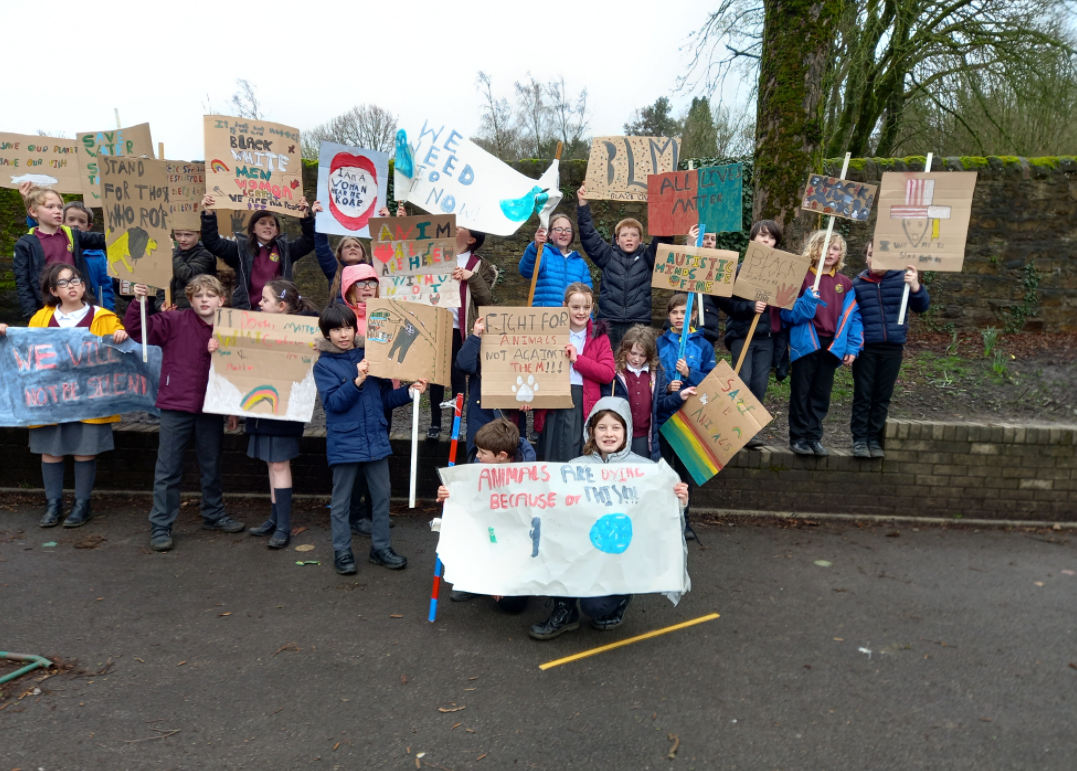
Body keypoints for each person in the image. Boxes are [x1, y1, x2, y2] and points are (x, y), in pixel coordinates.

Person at [529, 397, 689, 640]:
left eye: (616, 427)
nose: (609, 434)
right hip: (580, 549)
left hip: (617, 557)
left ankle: (623, 594)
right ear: (591, 431)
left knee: (595, 608)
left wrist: (678, 501)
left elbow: (658, 518)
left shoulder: (645, 470)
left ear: (627, 430)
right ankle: (565, 609)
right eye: (602, 427)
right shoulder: (574, 467)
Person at [0, 265, 127, 528]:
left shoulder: (104, 317)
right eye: (64, 282)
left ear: (83, 285)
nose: (72, 285)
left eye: (76, 280)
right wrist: (6, 333)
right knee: (51, 451)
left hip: (90, 397)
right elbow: (26, 350)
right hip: (50, 397)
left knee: (85, 451)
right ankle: (53, 504)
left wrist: (121, 336)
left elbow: (119, 351)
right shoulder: (41, 318)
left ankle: (82, 504)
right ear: (53, 290)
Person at [125, 276, 244, 551]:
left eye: (210, 295)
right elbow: (137, 330)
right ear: (189, 300)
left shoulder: (231, 328)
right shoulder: (174, 321)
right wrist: (139, 301)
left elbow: (241, 369)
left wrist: (232, 407)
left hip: (211, 406)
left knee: (211, 464)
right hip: (175, 404)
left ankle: (213, 514)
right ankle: (160, 525)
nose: (205, 300)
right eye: (198, 295)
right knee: (168, 468)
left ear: (221, 300)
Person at [313, 305, 428, 575]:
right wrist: (357, 380)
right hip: (344, 441)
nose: (343, 334)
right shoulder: (323, 365)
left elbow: (386, 398)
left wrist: (411, 392)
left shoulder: (373, 356)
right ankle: (342, 552)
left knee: (381, 497)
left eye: (347, 327)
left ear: (355, 328)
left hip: (375, 437)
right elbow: (333, 404)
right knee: (341, 502)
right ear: (327, 334)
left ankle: (381, 548)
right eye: (336, 329)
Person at [225, 280, 320, 548]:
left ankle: (284, 525)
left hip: (285, 407)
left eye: (264, 301)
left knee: (279, 464)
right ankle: (275, 517)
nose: (259, 304)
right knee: (270, 463)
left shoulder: (306, 333)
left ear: (281, 306)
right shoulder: (257, 330)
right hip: (259, 408)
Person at [435, 418, 535, 612]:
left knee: (511, 605)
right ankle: (476, 578)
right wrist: (448, 494)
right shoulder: (479, 465)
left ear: (502, 456)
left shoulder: (530, 475)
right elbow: (465, 502)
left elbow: (525, 531)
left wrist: (500, 577)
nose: (477, 456)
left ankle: (513, 583)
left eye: (482, 452)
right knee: (464, 527)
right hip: (487, 536)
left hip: (516, 547)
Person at [782, 231, 863, 456]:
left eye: (835, 249)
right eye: (825, 247)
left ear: (840, 254)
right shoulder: (801, 277)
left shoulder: (845, 283)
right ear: (814, 249)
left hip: (832, 344)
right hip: (806, 342)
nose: (830, 252)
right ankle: (797, 437)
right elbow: (788, 315)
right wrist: (807, 299)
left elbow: (854, 317)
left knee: (821, 393)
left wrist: (852, 347)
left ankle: (813, 436)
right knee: (801, 391)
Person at [850, 240, 930, 458]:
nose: (874, 258)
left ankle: (873, 439)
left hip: (893, 348)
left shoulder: (902, 280)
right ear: (865, 257)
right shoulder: (857, 283)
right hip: (866, 349)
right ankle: (859, 440)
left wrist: (916, 286)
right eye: (870, 254)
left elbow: (922, 306)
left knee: (882, 396)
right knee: (863, 395)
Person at [575, 186, 673, 351]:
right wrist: (583, 204)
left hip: (638, 324)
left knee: (636, 368)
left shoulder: (649, 259)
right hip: (608, 323)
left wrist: (666, 206)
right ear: (617, 239)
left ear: (640, 240)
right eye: (624, 235)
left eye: (634, 235)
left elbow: (665, 238)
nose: (629, 238)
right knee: (605, 367)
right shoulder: (607, 256)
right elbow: (588, 235)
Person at [718, 219, 786, 447]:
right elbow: (726, 303)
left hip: (766, 338)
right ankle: (731, 428)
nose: (766, 240)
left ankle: (749, 432)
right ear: (753, 239)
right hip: (741, 335)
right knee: (742, 381)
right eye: (762, 236)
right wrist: (750, 307)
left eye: (772, 237)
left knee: (758, 385)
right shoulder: (739, 271)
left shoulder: (781, 272)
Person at [427, 225, 497, 440]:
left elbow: (486, 299)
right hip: (438, 326)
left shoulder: (481, 266)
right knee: (436, 377)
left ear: (471, 239)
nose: (455, 228)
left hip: (462, 330)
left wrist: (471, 277)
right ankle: (435, 424)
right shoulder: (435, 255)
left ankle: (455, 425)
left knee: (458, 377)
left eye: (461, 228)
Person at [656, 293, 716, 540]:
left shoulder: (704, 345)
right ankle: (661, 521)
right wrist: (667, 385)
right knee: (662, 470)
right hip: (663, 417)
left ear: (693, 315)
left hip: (689, 419)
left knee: (683, 473)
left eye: (684, 312)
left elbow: (712, 384)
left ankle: (684, 520)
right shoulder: (660, 343)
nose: (679, 317)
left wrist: (689, 372)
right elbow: (652, 376)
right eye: (674, 313)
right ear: (669, 316)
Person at [533, 283, 615, 463]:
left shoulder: (599, 337)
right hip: (552, 401)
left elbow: (608, 373)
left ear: (592, 308)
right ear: (564, 306)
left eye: (586, 307)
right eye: (575, 307)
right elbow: (534, 367)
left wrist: (579, 360)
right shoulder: (550, 333)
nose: (581, 312)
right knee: (551, 452)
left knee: (577, 452)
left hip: (582, 400)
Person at [199, 194, 315, 310]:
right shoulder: (240, 249)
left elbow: (309, 241)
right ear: (253, 229)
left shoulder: (286, 250)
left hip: (279, 311)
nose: (268, 227)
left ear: (276, 231)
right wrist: (209, 214)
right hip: (248, 311)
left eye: (272, 224)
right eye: (262, 223)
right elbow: (212, 243)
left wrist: (306, 216)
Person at [455, 317, 540, 464]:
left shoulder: (519, 367)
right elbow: (463, 364)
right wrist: (475, 337)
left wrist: (528, 402)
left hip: (510, 433)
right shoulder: (480, 361)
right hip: (482, 425)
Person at [14, 187, 103, 319]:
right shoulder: (25, 244)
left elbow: (104, 240)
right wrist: (32, 315)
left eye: (60, 207)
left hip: (79, 306)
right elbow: (23, 283)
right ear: (33, 212)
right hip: (46, 308)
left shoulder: (72, 235)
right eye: (50, 207)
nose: (57, 211)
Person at [612, 325, 682, 461]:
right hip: (618, 434)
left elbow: (660, 405)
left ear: (649, 355)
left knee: (640, 474)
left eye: (642, 355)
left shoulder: (656, 373)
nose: (636, 359)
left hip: (643, 436)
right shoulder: (615, 372)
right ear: (624, 349)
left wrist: (679, 397)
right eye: (633, 353)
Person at [312, 203, 401, 304]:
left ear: (363, 254)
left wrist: (385, 223)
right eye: (347, 247)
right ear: (340, 254)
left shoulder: (371, 270)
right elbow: (322, 247)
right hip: (343, 319)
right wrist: (319, 220)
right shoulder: (334, 270)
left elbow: (385, 248)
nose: (352, 248)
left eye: (356, 246)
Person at [518, 213, 593, 307]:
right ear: (549, 234)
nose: (564, 233)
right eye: (559, 229)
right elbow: (525, 271)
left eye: (568, 230)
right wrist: (535, 248)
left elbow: (587, 298)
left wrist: (589, 321)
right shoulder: (542, 253)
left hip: (570, 319)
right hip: (543, 317)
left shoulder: (580, 264)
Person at [60, 202, 114, 312]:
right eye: (71, 219)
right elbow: (40, 228)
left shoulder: (98, 254)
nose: (75, 224)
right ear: (62, 221)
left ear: (89, 226)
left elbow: (105, 287)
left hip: (89, 307)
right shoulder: (57, 246)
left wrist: (109, 313)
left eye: (81, 221)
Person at [155, 228, 217, 312]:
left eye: (188, 235)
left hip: (196, 314)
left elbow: (187, 275)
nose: (182, 239)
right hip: (174, 315)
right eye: (178, 234)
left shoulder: (206, 254)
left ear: (199, 234)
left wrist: (172, 252)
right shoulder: (174, 254)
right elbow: (162, 286)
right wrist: (161, 305)